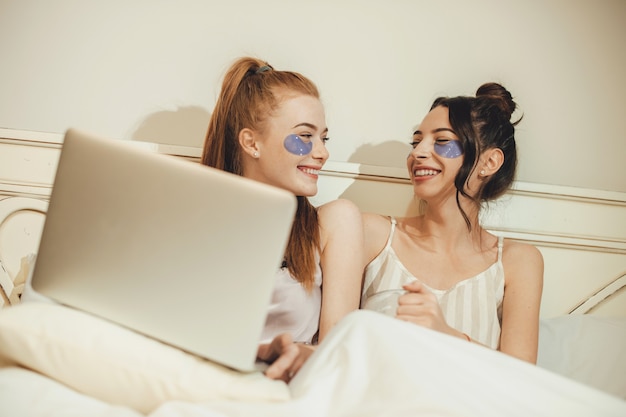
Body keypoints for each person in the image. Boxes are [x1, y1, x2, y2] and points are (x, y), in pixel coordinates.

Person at [201, 57, 365, 380]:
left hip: (285, 386)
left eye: (324, 138)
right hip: (204, 376)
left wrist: (301, 354)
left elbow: (338, 352)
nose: (322, 152)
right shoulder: (202, 219)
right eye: (305, 136)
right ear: (251, 143)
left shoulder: (333, 224)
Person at [361, 82, 544, 363]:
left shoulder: (518, 262)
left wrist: (446, 334)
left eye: (442, 141)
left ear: (490, 162)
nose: (417, 153)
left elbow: (522, 377)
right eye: (416, 141)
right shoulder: (373, 235)